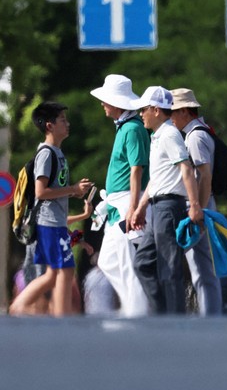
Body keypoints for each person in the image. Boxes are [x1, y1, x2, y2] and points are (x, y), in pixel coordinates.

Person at [9, 102, 93, 316]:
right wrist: (72, 189)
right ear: (50, 125)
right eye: (62, 120)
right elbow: (41, 192)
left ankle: (60, 316)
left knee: (61, 272)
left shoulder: (57, 153)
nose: (68, 123)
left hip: (54, 222)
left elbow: (55, 192)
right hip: (47, 223)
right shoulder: (46, 154)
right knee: (56, 273)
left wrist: (74, 192)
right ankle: (19, 306)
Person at [130, 86, 203, 314]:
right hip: (157, 206)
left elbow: (186, 168)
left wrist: (195, 205)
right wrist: (141, 206)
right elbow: (157, 177)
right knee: (143, 262)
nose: (141, 114)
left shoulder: (169, 134)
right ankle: (163, 314)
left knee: (169, 267)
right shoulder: (158, 136)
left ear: (155, 110)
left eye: (143, 110)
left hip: (169, 206)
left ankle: (174, 320)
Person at [89, 74, 151, 317]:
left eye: (106, 100)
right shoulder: (127, 128)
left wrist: (134, 207)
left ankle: (137, 311)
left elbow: (138, 169)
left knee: (125, 262)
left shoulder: (133, 128)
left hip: (127, 201)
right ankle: (133, 307)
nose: (103, 104)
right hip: (120, 202)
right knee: (108, 261)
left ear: (116, 103)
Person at [169, 88, 223, 316]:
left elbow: (204, 175)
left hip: (200, 209)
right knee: (201, 270)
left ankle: (210, 319)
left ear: (183, 111)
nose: (169, 118)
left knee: (202, 271)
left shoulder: (195, 137)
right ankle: (210, 316)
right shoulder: (200, 133)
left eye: (171, 112)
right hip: (202, 207)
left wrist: (197, 209)